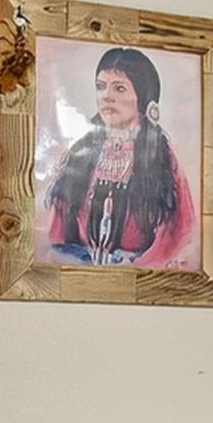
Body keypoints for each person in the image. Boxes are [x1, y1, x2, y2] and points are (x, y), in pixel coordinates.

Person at [44, 47, 195, 266]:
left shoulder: (161, 155)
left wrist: (136, 269)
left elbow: (179, 232)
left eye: (120, 88)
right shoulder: (80, 153)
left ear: (143, 99)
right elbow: (57, 230)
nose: (107, 96)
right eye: (101, 87)